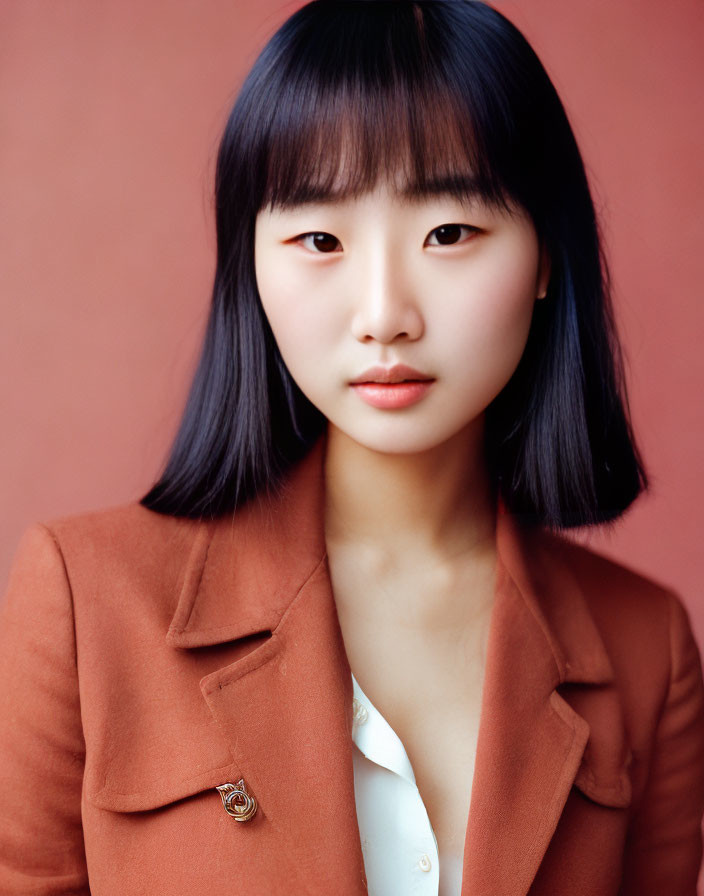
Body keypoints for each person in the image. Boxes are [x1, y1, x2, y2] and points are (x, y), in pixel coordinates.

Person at [1, 1, 703, 894]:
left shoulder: (647, 652)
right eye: (320, 239)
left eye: (448, 232)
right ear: (249, 263)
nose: (384, 315)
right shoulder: (85, 599)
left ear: (547, 258)